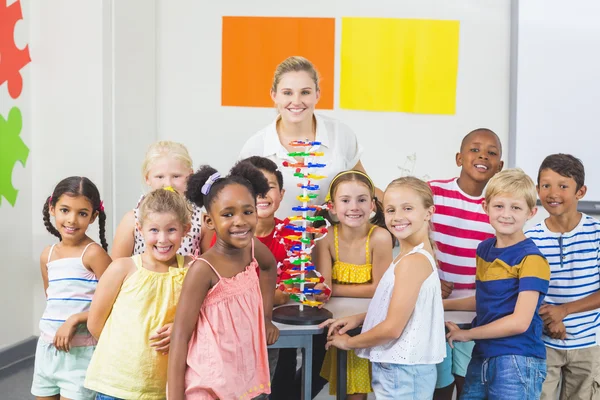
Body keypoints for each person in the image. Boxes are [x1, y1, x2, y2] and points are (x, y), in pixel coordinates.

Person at [320, 176, 446, 399]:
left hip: (404, 374)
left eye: (407, 208)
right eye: (390, 210)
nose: (397, 217)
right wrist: (360, 318)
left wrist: (349, 342)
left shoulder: (412, 262)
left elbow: (392, 329)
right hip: (400, 371)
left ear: (428, 212)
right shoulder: (409, 256)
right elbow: (403, 311)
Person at [167, 162, 279, 400]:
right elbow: (180, 335)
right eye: (228, 214)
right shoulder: (203, 270)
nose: (239, 221)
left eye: (247, 212)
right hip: (209, 385)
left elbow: (269, 267)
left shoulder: (252, 248)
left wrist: (266, 318)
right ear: (209, 221)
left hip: (244, 380)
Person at [445, 169, 550, 399]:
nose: (506, 214)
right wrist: (441, 304)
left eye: (516, 207)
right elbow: (486, 299)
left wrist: (468, 334)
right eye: (499, 206)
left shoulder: (532, 259)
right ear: (486, 207)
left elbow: (519, 322)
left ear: (531, 212)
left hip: (517, 358)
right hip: (483, 354)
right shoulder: (484, 250)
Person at [239, 55, 381, 219]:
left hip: (332, 241)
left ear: (317, 95)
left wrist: (399, 210)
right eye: (287, 93)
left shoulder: (340, 134)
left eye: (305, 92)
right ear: (274, 95)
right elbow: (241, 206)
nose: (296, 101)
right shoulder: (255, 147)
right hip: (274, 243)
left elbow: (366, 188)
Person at [84, 188, 192, 399]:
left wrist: (182, 330)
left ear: (185, 229)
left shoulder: (193, 270)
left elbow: (206, 318)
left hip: (166, 387)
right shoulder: (122, 269)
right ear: (139, 229)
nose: (162, 239)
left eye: (171, 230)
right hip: (117, 386)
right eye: (154, 230)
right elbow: (95, 324)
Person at [429, 128, 504, 399]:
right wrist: (430, 278)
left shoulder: (499, 208)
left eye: (491, 152)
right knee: (439, 385)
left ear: (500, 166)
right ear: (459, 157)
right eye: (475, 149)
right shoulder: (433, 192)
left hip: (475, 315)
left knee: (468, 385)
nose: (483, 155)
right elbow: (413, 238)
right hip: (433, 311)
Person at [525, 154, 600, 399]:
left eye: (563, 186)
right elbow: (525, 290)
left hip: (588, 345)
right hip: (543, 343)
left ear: (581, 192)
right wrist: (550, 318)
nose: (552, 193)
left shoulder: (596, 233)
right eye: (546, 185)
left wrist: (564, 311)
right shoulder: (531, 238)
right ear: (537, 189)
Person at [314, 170, 393, 399]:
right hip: (337, 320)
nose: (354, 207)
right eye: (345, 200)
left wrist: (332, 289)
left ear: (372, 206)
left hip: (368, 321)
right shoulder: (326, 237)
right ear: (332, 207)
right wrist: (324, 290)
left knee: (357, 392)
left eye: (361, 200)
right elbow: (324, 287)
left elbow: (379, 289)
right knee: (339, 384)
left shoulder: (380, 237)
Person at [31, 176, 112, 400]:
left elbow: (115, 304)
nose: (72, 220)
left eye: (82, 213)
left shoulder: (94, 254)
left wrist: (75, 319)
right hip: (47, 351)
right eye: (65, 210)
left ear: (94, 216)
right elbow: (52, 300)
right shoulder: (47, 255)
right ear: (52, 208)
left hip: (81, 354)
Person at [112, 140, 202, 258]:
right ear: (147, 178)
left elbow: (210, 267)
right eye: (160, 177)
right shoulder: (132, 220)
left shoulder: (202, 221)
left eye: (176, 176)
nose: (168, 184)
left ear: (190, 176)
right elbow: (116, 267)